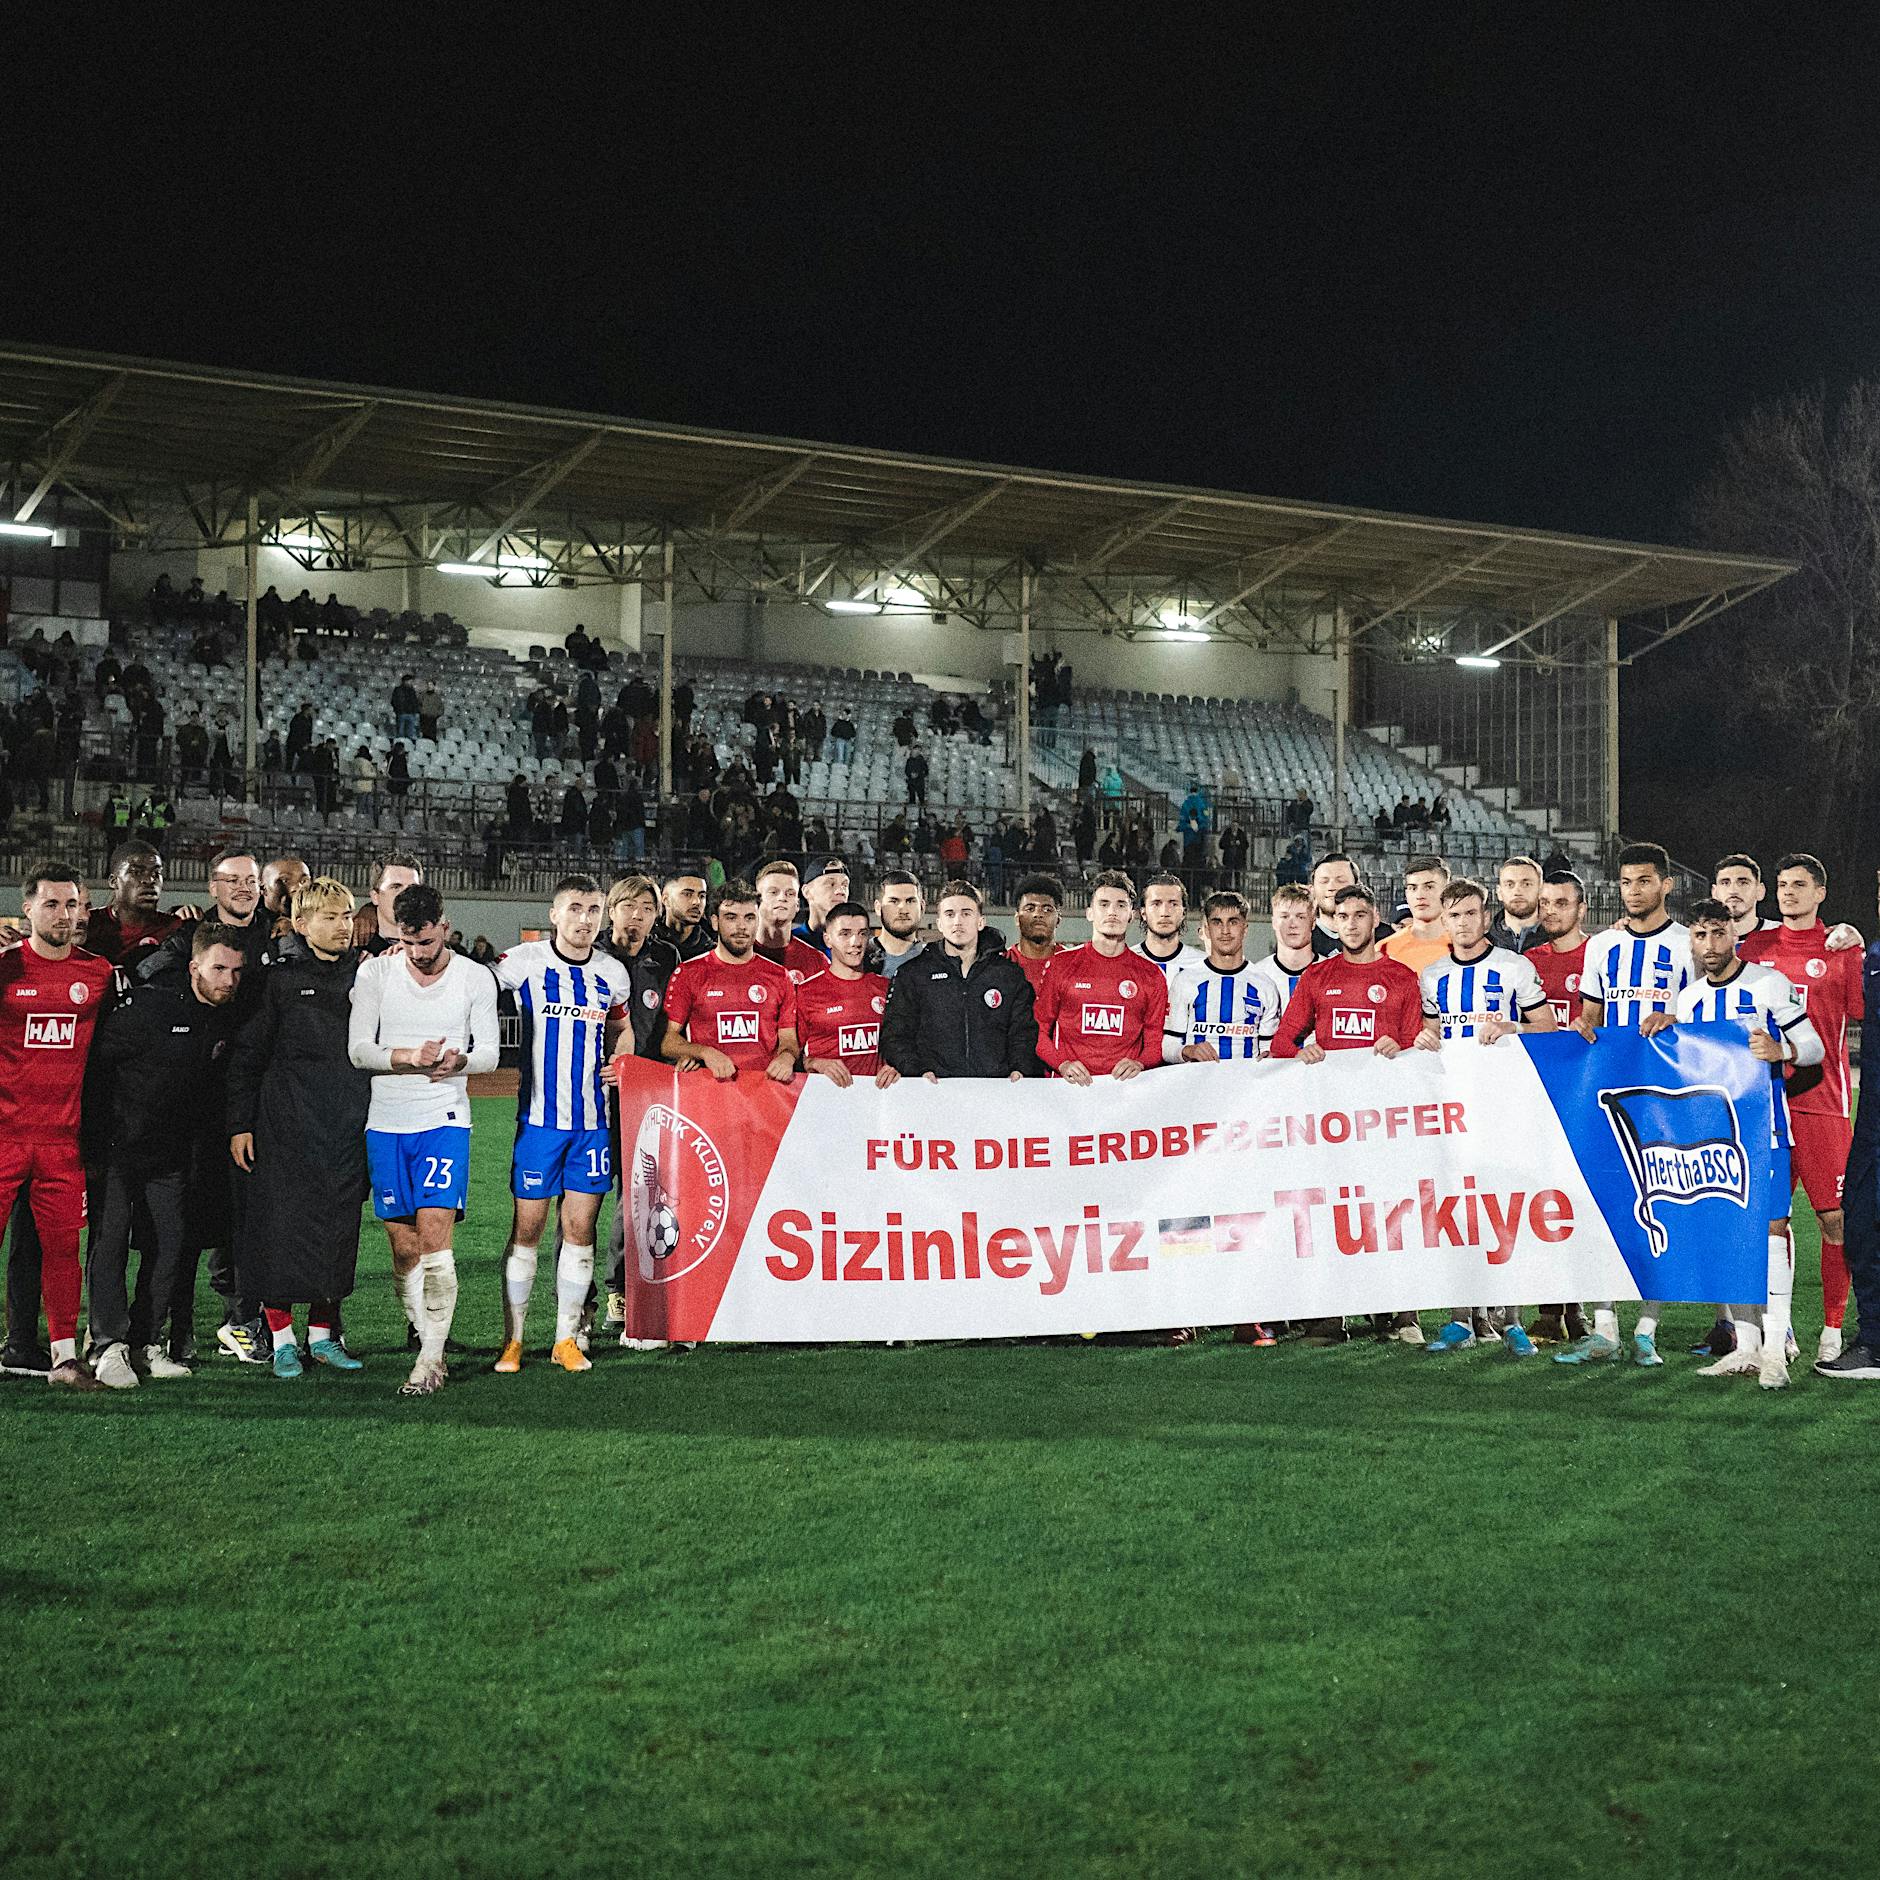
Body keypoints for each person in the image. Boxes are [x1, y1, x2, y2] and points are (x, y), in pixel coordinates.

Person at [1642, 896, 1824, 1391]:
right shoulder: (1689, 999)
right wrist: (1668, 1028)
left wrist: (1783, 1049)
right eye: (1700, 935)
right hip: (1714, 1135)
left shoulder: (1768, 984)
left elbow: (1814, 1047)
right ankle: (1745, 1346)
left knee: (1771, 1231)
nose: (1709, 944)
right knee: (1728, 1230)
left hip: (1766, 1131)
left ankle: (1776, 1350)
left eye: (1718, 933)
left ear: (1734, 935)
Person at [348, 883, 500, 1397]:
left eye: (427, 943)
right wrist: (410, 1057)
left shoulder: (474, 977)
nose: (417, 954)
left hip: (444, 1119)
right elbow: (358, 1050)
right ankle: (423, 1336)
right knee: (403, 1247)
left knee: (435, 1238)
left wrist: (461, 1061)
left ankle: (431, 1359)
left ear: (445, 928)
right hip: (386, 1121)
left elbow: (490, 1054)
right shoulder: (375, 973)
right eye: (408, 943)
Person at [84, 923, 247, 1388]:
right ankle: (106, 1346)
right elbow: (97, 1070)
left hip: (171, 1156)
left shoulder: (224, 1018)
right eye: (219, 969)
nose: (228, 980)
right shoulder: (149, 1007)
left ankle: (146, 1341)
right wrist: (93, 1144)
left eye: (236, 971)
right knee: (110, 1246)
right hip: (119, 1151)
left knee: (170, 1247)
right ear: (194, 967)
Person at [225, 877, 371, 1379]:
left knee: (338, 1231)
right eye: (330, 917)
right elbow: (248, 1055)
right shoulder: (278, 979)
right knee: (280, 1231)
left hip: (348, 1125)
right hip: (284, 1124)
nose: (343, 926)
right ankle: (283, 1340)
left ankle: (324, 1337)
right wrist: (241, 1124)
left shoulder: (368, 974)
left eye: (347, 915)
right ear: (302, 924)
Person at [1557, 842, 1692, 1369]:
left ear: (1666, 885)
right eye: (1626, 882)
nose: (1633, 891)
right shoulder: (1602, 946)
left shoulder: (1686, 944)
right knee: (1605, 1201)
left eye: (1643, 881)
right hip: (1608, 1089)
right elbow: (1590, 1015)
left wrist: (1675, 1020)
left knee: (1659, 1202)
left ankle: (1647, 1330)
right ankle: (1605, 1329)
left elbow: (1703, 1015)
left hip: (1663, 1091)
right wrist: (1583, 1027)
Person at [1412, 878, 1557, 1358]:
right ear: (1444, 920)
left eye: (1471, 913)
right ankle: (1461, 1318)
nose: (1463, 923)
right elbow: (1430, 1036)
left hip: (1506, 1106)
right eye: (1454, 915)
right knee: (1457, 1210)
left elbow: (1547, 1027)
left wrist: (1512, 1026)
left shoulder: (1514, 967)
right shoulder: (1432, 976)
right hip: (1454, 1109)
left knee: (1507, 1210)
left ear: (1486, 915)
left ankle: (1511, 1320)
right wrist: (1425, 1039)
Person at [493, 877, 626, 1377]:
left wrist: (623, 1056)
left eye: (593, 909)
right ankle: (513, 1340)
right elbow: (472, 986)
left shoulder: (611, 973)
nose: (585, 919)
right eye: (574, 908)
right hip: (539, 1124)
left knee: (580, 1231)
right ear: (554, 914)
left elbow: (622, 1027)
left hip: (592, 1125)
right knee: (526, 1231)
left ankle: (565, 1339)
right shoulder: (523, 962)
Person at [1740, 852, 1864, 1364]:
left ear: (1820, 893)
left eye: (1798, 884)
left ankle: (1833, 1329)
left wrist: (1857, 937)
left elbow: (1865, 1010)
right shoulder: (1755, 949)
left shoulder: (1842, 949)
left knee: (1835, 1220)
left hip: (1823, 1105)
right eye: (1782, 884)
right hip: (1765, 1105)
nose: (1788, 892)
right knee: (1771, 1224)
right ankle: (1780, 1329)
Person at [0, 864, 117, 1389]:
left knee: (63, 1251)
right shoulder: (5, 969)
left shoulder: (98, 974)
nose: (64, 915)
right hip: (4, 1135)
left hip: (62, 1142)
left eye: (72, 905)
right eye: (51, 904)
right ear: (27, 909)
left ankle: (64, 1360)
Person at [1521, 868, 1594, 1348]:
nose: (1550, 911)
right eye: (1545, 903)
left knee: (1584, 1204)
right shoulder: (1528, 962)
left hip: (1588, 1096)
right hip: (1539, 1098)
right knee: (1546, 1203)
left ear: (1582, 908)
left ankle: (1581, 1309)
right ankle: (1550, 1311)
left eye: (1561, 903)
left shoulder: (1600, 955)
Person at [880, 880, 1037, 1082]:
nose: (957, 921)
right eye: (949, 914)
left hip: (995, 1091)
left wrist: (1020, 1068)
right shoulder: (913, 974)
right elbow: (895, 1035)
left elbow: (1023, 1032)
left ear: (980, 922)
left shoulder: (1008, 975)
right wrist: (916, 1071)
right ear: (939, 924)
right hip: (934, 1090)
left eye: (966, 913)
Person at [658, 881, 799, 1082]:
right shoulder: (689, 973)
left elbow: (789, 1040)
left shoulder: (779, 976)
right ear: (715, 922)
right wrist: (703, 1052)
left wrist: (787, 1058)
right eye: (731, 917)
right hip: (711, 1090)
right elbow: (668, 1041)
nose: (741, 927)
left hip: (764, 1090)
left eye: (749, 918)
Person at [1035, 873, 1168, 1085]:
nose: (1112, 912)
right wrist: (1062, 1064)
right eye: (1104, 904)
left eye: (1121, 905)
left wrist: (1140, 1063)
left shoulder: (1151, 975)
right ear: (1089, 913)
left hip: (1123, 1092)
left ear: (1132, 915)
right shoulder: (1061, 965)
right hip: (1067, 1090)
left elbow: (1155, 1043)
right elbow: (1038, 1031)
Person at [1269, 886, 1423, 1063]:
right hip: (1330, 1080)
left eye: (1360, 916)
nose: (1351, 925)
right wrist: (1299, 1055)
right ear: (1335, 922)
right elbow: (1280, 1042)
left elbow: (1415, 1047)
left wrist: (1400, 1048)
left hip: (1383, 1080)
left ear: (1375, 919)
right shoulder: (1315, 975)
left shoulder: (1404, 977)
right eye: (1343, 917)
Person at [1164, 890, 1269, 1067]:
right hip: (1198, 1083)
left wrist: (1270, 1056)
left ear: (1245, 929)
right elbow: (1168, 1045)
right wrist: (1188, 1051)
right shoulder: (1185, 981)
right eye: (1217, 922)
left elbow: (1268, 1047)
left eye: (1233, 922)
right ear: (1207, 929)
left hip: (1245, 1083)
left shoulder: (1264, 985)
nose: (1225, 931)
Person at [798, 902, 897, 1088]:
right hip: (825, 1097)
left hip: (876, 1097)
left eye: (862, 933)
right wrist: (813, 1063)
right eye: (845, 934)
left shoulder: (886, 987)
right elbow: (789, 1053)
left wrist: (897, 1067)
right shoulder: (806, 991)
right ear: (828, 939)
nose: (856, 942)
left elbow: (903, 1042)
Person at [85, 841, 184, 967]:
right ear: (113, 881)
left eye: (156, 873)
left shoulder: (175, 928)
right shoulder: (89, 925)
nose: (150, 880)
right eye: (137, 872)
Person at [1250, 884, 1318, 1055]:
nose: (1292, 924)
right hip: (1270, 1068)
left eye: (1301, 917)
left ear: (1313, 922)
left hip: (1320, 1067)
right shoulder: (1256, 975)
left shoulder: (1331, 973)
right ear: (1273, 922)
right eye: (1284, 916)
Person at [753, 859, 828, 984]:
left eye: (790, 893)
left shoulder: (818, 963)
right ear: (757, 901)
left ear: (797, 905)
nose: (782, 898)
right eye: (773, 892)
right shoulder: (735, 956)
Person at [1381, 854, 1452, 974]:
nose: (1419, 895)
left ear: (1447, 891)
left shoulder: (1470, 947)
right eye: (1413, 888)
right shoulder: (1385, 949)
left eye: (1429, 887)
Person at [1134, 873, 1204, 976]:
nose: (1165, 913)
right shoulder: (1124, 963)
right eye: (1156, 904)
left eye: (1173, 904)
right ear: (1143, 913)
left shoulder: (1202, 965)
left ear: (1184, 913)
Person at [357, 852, 424, 956]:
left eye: (413, 888)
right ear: (375, 897)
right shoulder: (354, 952)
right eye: (396, 887)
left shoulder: (438, 950)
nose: (406, 895)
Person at [1010, 874, 1065, 997]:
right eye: (1030, 908)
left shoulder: (1073, 965)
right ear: (1017, 919)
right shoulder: (1000, 964)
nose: (1038, 914)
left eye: (1047, 909)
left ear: (1058, 919)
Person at [872, 870, 927, 980]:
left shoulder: (935, 960)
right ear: (878, 908)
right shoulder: (859, 958)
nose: (903, 910)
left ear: (922, 907)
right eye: (894, 901)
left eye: (910, 901)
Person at [792, 857, 851, 953]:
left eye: (844, 885)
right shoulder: (788, 944)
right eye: (831, 884)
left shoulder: (857, 946)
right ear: (807, 891)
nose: (841, 891)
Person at [652, 871, 712, 961]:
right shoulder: (645, 944)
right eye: (687, 894)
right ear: (666, 900)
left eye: (702, 896)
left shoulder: (712, 953)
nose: (697, 902)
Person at [1487, 857, 1544, 953]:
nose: (1517, 892)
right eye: (1510, 885)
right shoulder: (1483, 944)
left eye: (1526, 884)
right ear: (1499, 892)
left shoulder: (1558, 941)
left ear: (1541, 891)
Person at [391, 673, 420, 743]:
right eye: (410, 681)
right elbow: (393, 701)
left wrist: (415, 711)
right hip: (401, 713)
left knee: (410, 734)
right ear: (405, 681)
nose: (411, 683)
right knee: (400, 733)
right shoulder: (398, 690)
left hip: (411, 714)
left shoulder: (412, 691)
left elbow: (415, 701)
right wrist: (397, 710)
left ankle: (408, 746)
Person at [904, 745, 929, 809]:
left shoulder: (922, 761)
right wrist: (910, 775)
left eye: (918, 750)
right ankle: (912, 812)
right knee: (912, 800)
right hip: (911, 783)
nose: (916, 751)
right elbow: (906, 770)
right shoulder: (909, 760)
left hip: (919, 783)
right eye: (915, 750)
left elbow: (926, 772)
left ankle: (922, 812)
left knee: (921, 800)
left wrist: (919, 775)